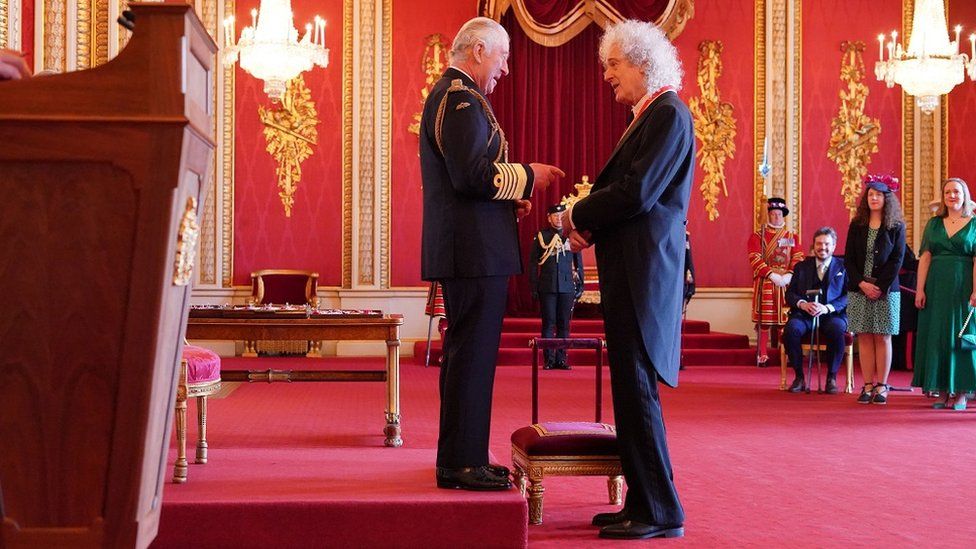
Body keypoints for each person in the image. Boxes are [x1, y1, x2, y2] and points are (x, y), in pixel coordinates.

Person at [420, 17, 564, 491]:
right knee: (472, 357)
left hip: (473, 248)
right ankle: (461, 464)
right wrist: (528, 175)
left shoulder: (458, 96)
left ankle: (462, 457)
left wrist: (508, 204)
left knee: (469, 356)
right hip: (473, 255)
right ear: (479, 49)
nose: (504, 68)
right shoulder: (460, 99)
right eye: (501, 57)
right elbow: (471, 176)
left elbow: (474, 183)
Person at [561, 19, 692, 540]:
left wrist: (576, 214)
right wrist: (591, 224)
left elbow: (636, 194)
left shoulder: (666, 114)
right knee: (630, 392)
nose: (608, 76)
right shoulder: (651, 114)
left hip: (644, 277)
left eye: (613, 65)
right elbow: (635, 196)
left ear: (642, 62)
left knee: (637, 392)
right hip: (633, 270)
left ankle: (661, 510)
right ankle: (643, 499)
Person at [913, 178, 976, 410]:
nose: (952, 196)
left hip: (963, 284)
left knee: (960, 337)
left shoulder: (974, 223)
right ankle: (940, 390)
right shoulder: (934, 224)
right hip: (936, 285)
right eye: (948, 192)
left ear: (964, 195)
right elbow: (925, 258)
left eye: (956, 192)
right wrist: (920, 289)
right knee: (937, 336)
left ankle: (961, 391)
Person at [845, 175, 906, 405]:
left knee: (882, 336)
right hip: (859, 288)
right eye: (870, 194)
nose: (873, 198)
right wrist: (861, 283)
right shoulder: (857, 224)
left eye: (878, 194)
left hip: (886, 290)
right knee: (865, 336)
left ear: (887, 198)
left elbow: (897, 259)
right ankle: (868, 384)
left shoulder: (896, 226)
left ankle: (882, 385)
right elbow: (848, 259)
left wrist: (878, 286)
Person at [782, 227, 849, 394]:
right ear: (814, 245)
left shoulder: (844, 267)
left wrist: (827, 308)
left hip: (832, 314)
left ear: (834, 246)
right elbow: (790, 294)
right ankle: (799, 377)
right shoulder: (801, 267)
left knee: (837, 329)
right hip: (804, 314)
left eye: (827, 244)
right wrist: (803, 304)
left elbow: (849, 296)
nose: (823, 247)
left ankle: (831, 378)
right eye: (819, 243)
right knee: (791, 330)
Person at [748, 198, 804, 366]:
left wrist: (789, 274)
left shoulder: (791, 236)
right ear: (769, 215)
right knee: (765, 321)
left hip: (787, 283)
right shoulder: (757, 236)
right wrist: (771, 274)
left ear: (783, 216)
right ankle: (762, 354)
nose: (776, 217)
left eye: (779, 214)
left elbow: (797, 257)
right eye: (772, 214)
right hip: (766, 281)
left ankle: (785, 352)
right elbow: (754, 258)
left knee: (785, 320)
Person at [529, 203, 584, 370]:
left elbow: (578, 263)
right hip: (547, 286)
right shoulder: (541, 236)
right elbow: (533, 264)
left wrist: (580, 284)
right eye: (555, 216)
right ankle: (549, 360)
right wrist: (533, 287)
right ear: (549, 218)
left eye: (561, 216)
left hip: (567, 286)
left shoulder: (570, 236)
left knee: (564, 324)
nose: (559, 219)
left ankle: (561, 359)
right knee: (548, 323)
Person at [891, 244, 919, 371]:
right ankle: (899, 361)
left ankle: (904, 362)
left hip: (906, 285)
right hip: (899, 285)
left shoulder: (900, 244)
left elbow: (909, 263)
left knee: (906, 328)